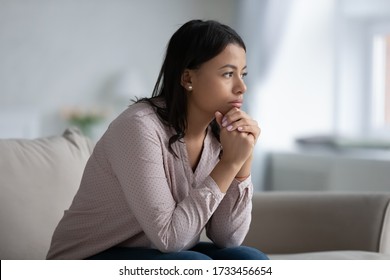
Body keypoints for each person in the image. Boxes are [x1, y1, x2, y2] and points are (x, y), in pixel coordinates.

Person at [47, 19, 268, 260]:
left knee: (248, 258)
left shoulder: (221, 135)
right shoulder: (138, 127)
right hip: (86, 258)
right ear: (188, 79)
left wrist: (242, 162)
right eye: (228, 74)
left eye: (242, 74)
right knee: (193, 263)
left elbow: (228, 238)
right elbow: (170, 238)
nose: (242, 87)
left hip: (154, 252)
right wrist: (229, 164)